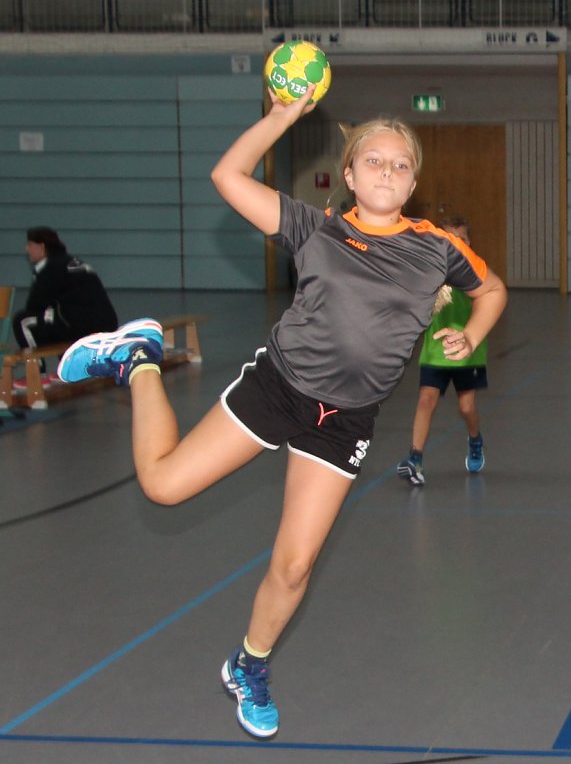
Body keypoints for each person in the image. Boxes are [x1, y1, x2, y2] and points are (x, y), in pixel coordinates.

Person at [56, 87, 507, 739]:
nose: (385, 171)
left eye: (399, 164)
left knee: (294, 565)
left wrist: (474, 329)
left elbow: (489, 288)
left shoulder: (436, 248)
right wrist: (279, 117)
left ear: (412, 181)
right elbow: (226, 177)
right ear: (348, 175)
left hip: (347, 420)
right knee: (161, 486)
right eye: (372, 161)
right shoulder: (314, 227)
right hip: (279, 388)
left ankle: (249, 664)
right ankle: (137, 361)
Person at [396, 216, 489, 487]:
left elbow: (488, 303)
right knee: (426, 400)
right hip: (435, 352)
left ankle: (475, 439)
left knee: (466, 406)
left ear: (470, 243)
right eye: (450, 238)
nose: (456, 243)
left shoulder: (475, 273)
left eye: (462, 238)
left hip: (466, 353)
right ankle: (415, 459)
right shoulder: (430, 274)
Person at [12, 226, 118, 388]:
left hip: (83, 327)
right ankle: (70, 370)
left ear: (42, 247)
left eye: (30, 245)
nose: (26, 249)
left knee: (23, 320)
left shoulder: (50, 268)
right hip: (107, 324)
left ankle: (36, 375)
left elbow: (33, 305)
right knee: (58, 315)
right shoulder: (72, 261)